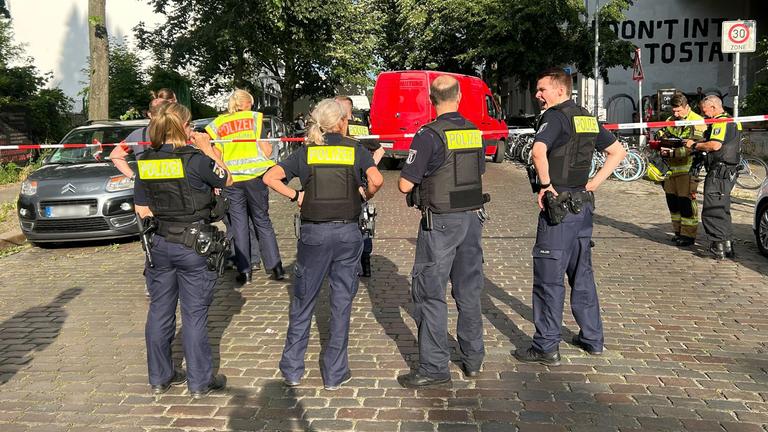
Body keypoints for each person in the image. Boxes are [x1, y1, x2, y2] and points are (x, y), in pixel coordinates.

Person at [263, 98, 383, 391]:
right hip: (347, 235)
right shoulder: (355, 150)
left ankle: (292, 369)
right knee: (341, 304)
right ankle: (334, 373)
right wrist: (364, 195)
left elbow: (270, 177)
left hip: (314, 235)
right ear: (342, 122)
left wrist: (297, 197)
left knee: (303, 303)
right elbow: (377, 180)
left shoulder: (307, 152)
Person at [513, 68, 626, 366]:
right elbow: (617, 151)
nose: (538, 95)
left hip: (560, 207)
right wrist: (594, 184)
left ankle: (546, 346)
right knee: (582, 274)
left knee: (549, 277)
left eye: (542, 90)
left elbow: (539, 151)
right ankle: (592, 338)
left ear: (560, 90)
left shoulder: (555, 116)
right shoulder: (587, 116)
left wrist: (546, 184)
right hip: (583, 205)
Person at [396, 75, 487, 388]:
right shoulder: (475, 132)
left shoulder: (428, 134)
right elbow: (478, 172)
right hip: (473, 219)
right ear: (459, 96)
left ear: (430, 99)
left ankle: (434, 367)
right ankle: (473, 359)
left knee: (430, 294)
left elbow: (405, 184)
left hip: (441, 223)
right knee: (469, 291)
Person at [134, 102, 230, 398]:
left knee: (159, 311)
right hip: (194, 245)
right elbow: (227, 178)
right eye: (190, 125)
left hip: (160, 243)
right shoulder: (197, 160)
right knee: (194, 314)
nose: (193, 129)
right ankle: (200, 382)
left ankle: (160, 378)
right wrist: (208, 148)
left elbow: (141, 207)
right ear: (183, 128)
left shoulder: (146, 161)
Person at [206, 89, 284, 284]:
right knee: (262, 221)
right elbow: (266, 149)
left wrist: (224, 173)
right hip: (255, 178)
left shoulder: (218, 124)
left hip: (232, 180)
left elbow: (215, 153)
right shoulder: (255, 119)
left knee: (239, 225)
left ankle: (245, 271)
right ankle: (276, 268)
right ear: (248, 103)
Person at [684, 95, 741, 260]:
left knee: (712, 208)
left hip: (719, 171)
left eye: (705, 110)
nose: (703, 114)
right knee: (723, 207)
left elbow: (715, 144)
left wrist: (694, 145)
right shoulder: (733, 121)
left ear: (714, 107)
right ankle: (727, 244)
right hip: (729, 171)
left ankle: (718, 247)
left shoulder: (720, 121)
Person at [336, 95, 384, 277]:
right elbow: (380, 150)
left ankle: (349, 262)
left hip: (346, 182)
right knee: (363, 222)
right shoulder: (361, 127)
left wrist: (369, 168)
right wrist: (370, 168)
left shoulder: (340, 129)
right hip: (360, 183)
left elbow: (380, 149)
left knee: (351, 223)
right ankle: (364, 262)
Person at [655, 93, 706, 246]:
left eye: (679, 111)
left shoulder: (697, 121)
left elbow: (695, 146)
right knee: (673, 203)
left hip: (687, 169)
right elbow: (661, 134)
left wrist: (673, 152)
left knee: (686, 203)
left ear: (687, 107)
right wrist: (659, 140)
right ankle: (678, 232)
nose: (675, 114)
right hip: (671, 169)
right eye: (674, 111)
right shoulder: (671, 120)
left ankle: (688, 235)